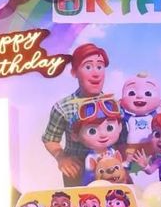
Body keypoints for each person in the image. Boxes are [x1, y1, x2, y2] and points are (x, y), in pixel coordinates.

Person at [42, 43, 109, 187]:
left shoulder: (113, 106)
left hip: (108, 168)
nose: (96, 73)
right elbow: (50, 139)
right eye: (88, 67)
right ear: (74, 72)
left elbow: (123, 142)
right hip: (77, 171)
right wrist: (62, 158)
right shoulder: (63, 107)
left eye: (100, 67)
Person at [71, 95, 123, 186]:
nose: (103, 134)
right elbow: (91, 175)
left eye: (109, 128)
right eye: (92, 131)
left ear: (119, 127)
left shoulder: (112, 151)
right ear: (75, 136)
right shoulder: (90, 158)